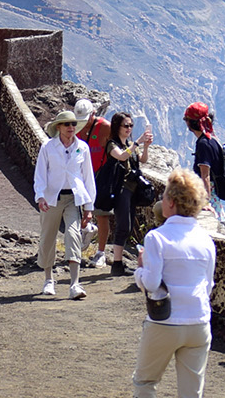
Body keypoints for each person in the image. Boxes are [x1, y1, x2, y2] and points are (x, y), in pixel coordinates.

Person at [131, 168, 217, 398]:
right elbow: (208, 285)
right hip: (198, 321)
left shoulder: (156, 238)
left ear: (170, 202)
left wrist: (139, 270)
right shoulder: (207, 241)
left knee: (145, 382)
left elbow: (151, 283)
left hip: (165, 321)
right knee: (191, 392)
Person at [32, 110, 97, 299]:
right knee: (47, 237)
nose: (71, 128)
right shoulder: (48, 147)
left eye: (73, 124)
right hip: (52, 198)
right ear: (59, 127)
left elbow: (88, 178)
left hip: (73, 199)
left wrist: (89, 207)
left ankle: (75, 284)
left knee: (73, 235)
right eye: (67, 124)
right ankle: (48, 279)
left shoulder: (82, 148)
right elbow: (40, 174)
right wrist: (40, 196)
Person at [103, 111, 153, 276]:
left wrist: (145, 146)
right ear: (117, 126)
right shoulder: (112, 144)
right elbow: (122, 157)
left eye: (131, 125)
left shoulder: (129, 144)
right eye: (126, 126)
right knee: (123, 225)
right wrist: (137, 143)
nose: (129, 128)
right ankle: (116, 264)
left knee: (129, 225)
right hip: (120, 189)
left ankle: (119, 263)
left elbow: (143, 160)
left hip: (132, 189)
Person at [75, 99, 113, 269]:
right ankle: (88, 229)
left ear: (93, 114)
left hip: (101, 175)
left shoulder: (105, 127)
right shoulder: (74, 125)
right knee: (76, 208)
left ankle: (101, 253)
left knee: (102, 214)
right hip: (80, 173)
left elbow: (115, 146)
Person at [183, 102, 224, 219]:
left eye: (186, 119)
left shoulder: (203, 144)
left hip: (208, 194)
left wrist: (205, 202)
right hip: (215, 193)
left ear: (191, 122)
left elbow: (205, 175)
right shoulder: (212, 138)